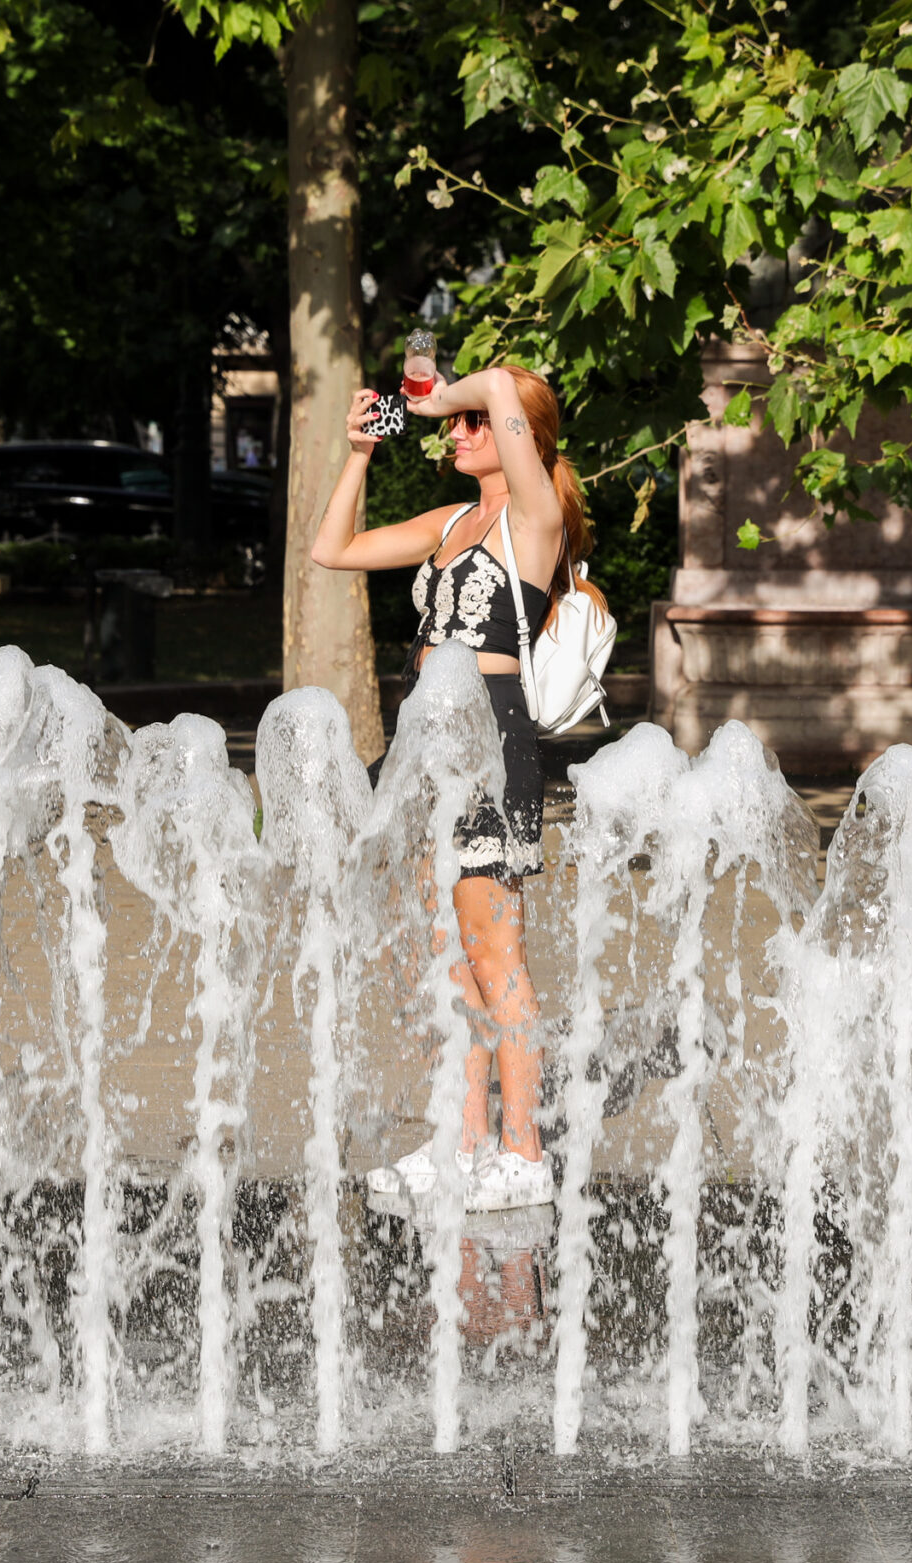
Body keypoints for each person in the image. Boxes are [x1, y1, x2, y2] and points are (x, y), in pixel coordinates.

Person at [307, 361, 606, 1214]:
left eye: (473, 423)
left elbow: (510, 399)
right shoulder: (452, 522)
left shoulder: (534, 518)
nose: (456, 431)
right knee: (447, 960)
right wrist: (360, 453)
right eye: (454, 424)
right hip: (424, 749)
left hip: (489, 739)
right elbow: (335, 551)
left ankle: (524, 1150)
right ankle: (465, 1140)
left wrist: (458, 390)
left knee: (494, 954)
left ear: (517, 434)